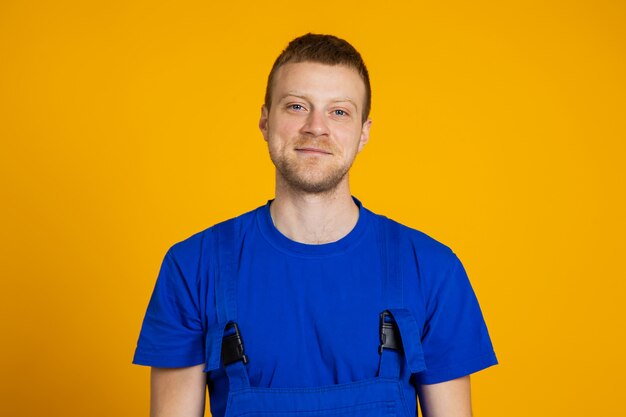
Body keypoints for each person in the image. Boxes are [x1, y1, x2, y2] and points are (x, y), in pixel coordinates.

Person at [133, 33, 497, 417]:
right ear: (264, 119)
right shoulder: (193, 266)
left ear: (364, 132)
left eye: (339, 111)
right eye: (296, 106)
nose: (316, 127)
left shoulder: (431, 268)